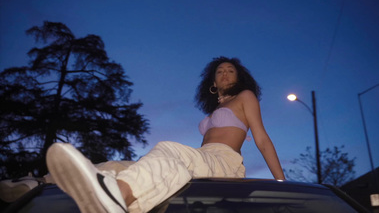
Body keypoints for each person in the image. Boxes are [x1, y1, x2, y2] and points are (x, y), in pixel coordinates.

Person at [46, 56, 285, 213]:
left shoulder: (245, 97)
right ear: (212, 81)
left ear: (238, 77)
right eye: (219, 71)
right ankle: (43, 183)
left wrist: (281, 183)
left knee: (168, 149)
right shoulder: (216, 108)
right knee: (125, 166)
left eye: (230, 70)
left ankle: (118, 195)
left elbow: (262, 139)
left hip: (225, 161)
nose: (224, 73)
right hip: (204, 158)